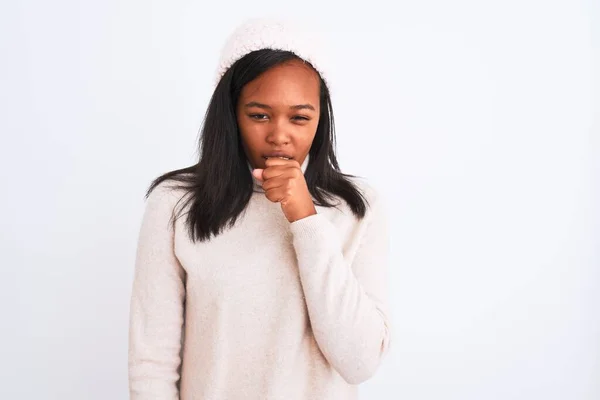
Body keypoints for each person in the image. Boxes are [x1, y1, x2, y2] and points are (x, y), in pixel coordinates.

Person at [128, 17, 392, 400]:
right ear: (230, 114)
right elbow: (151, 363)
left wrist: (305, 217)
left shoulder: (356, 207)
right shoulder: (176, 204)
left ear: (321, 119)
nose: (279, 135)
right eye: (259, 115)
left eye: (300, 117)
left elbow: (360, 361)